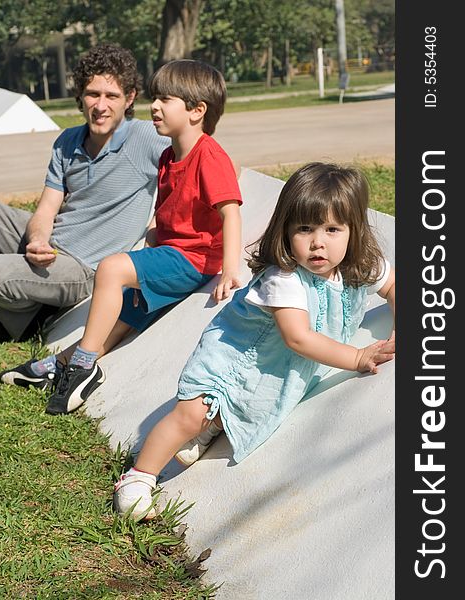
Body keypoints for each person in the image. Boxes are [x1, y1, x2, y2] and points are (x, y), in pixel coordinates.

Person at [113, 161, 396, 521]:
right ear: (285, 230)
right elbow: (298, 337)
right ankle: (139, 476)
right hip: (234, 357)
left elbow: (393, 286)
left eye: (332, 229)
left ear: (354, 231)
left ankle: (213, 427)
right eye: (304, 229)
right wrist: (356, 358)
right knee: (192, 412)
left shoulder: (359, 265)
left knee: (250, 402)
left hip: (274, 366)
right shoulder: (286, 277)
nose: (317, 242)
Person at [0, 59, 243, 417]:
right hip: (172, 254)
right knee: (122, 313)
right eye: (154, 98)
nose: (154, 107)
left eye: (165, 99)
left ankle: (83, 368)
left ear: (197, 110)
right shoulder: (167, 155)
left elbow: (230, 211)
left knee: (112, 269)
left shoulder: (209, 155)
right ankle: (59, 364)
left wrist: (231, 269)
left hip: (194, 259)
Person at [0, 43, 169, 343]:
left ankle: (29, 314)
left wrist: (157, 229)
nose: (100, 106)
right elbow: (47, 209)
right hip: (52, 244)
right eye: (92, 94)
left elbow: (209, 162)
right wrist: (37, 240)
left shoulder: (145, 138)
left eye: (111, 96)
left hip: (84, 268)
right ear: (81, 96)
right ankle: (21, 296)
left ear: (129, 98)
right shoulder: (67, 140)